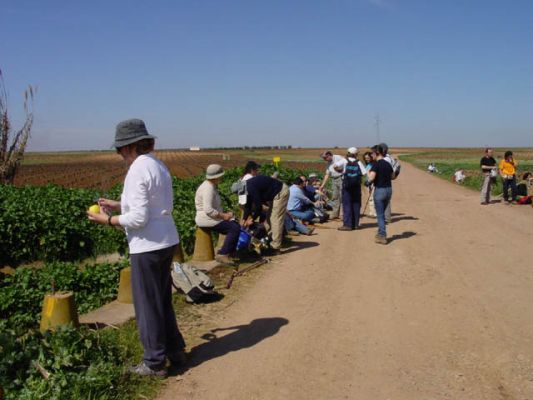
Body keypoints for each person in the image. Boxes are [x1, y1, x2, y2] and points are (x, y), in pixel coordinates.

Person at [87, 119, 185, 377]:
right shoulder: (157, 165)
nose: (119, 154)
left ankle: (153, 362)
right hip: (166, 239)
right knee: (162, 299)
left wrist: (107, 219)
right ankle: (175, 350)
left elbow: (139, 219)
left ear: (129, 147)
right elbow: (152, 205)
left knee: (147, 305)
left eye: (119, 149)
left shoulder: (136, 170)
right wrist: (118, 204)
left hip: (147, 246)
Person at [195, 164, 240, 265]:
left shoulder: (210, 185)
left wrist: (226, 215)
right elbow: (208, 210)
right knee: (233, 228)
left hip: (210, 218)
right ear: (216, 177)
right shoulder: (208, 188)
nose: (222, 178)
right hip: (207, 219)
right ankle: (223, 254)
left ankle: (230, 253)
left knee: (235, 224)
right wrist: (224, 216)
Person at [241, 175, 289, 255]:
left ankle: (275, 247)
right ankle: (270, 241)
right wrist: (244, 219)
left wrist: (252, 219)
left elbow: (259, 207)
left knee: (275, 219)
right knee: (269, 219)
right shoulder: (245, 187)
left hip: (281, 192)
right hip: (274, 194)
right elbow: (247, 205)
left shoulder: (251, 188)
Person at [367, 144, 393, 244]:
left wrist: (368, 181)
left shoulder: (376, 164)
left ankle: (382, 235)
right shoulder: (388, 164)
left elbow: (372, 177)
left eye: (372, 153)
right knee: (383, 212)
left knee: (380, 215)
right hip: (389, 190)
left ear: (377, 153)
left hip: (380, 190)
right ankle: (379, 232)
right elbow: (393, 176)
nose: (371, 155)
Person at [337, 147, 366, 231]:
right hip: (356, 186)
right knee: (356, 204)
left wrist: (341, 172)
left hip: (346, 185)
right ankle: (355, 224)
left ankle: (347, 225)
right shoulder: (359, 162)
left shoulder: (344, 161)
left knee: (346, 205)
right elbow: (364, 173)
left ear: (348, 153)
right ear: (356, 154)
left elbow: (335, 166)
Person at [318, 150, 345, 220]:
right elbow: (327, 174)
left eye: (325, 158)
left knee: (343, 196)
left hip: (341, 178)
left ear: (329, 155)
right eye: (324, 158)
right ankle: (335, 213)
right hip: (334, 179)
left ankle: (343, 214)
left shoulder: (338, 158)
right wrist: (322, 185)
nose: (324, 159)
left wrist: (340, 169)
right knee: (335, 197)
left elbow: (346, 163)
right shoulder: (328, 163)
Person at [378, 143, 399, 223]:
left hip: (382, 181)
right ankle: (387, 217)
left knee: (381, 200)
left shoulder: (385, 159)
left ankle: (384, 218)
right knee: (386, 200)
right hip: (388, 181)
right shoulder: (390, 157)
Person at [363, 152, 377, 217]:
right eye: (365, 158)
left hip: (372, 183)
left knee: (372, 197)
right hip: (368, 183)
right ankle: (371, 212)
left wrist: (371, 181)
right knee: (370, 198)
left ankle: (374, 213)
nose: (367, 159)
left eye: (368, 158)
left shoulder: (374, 164)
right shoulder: (368, 164)